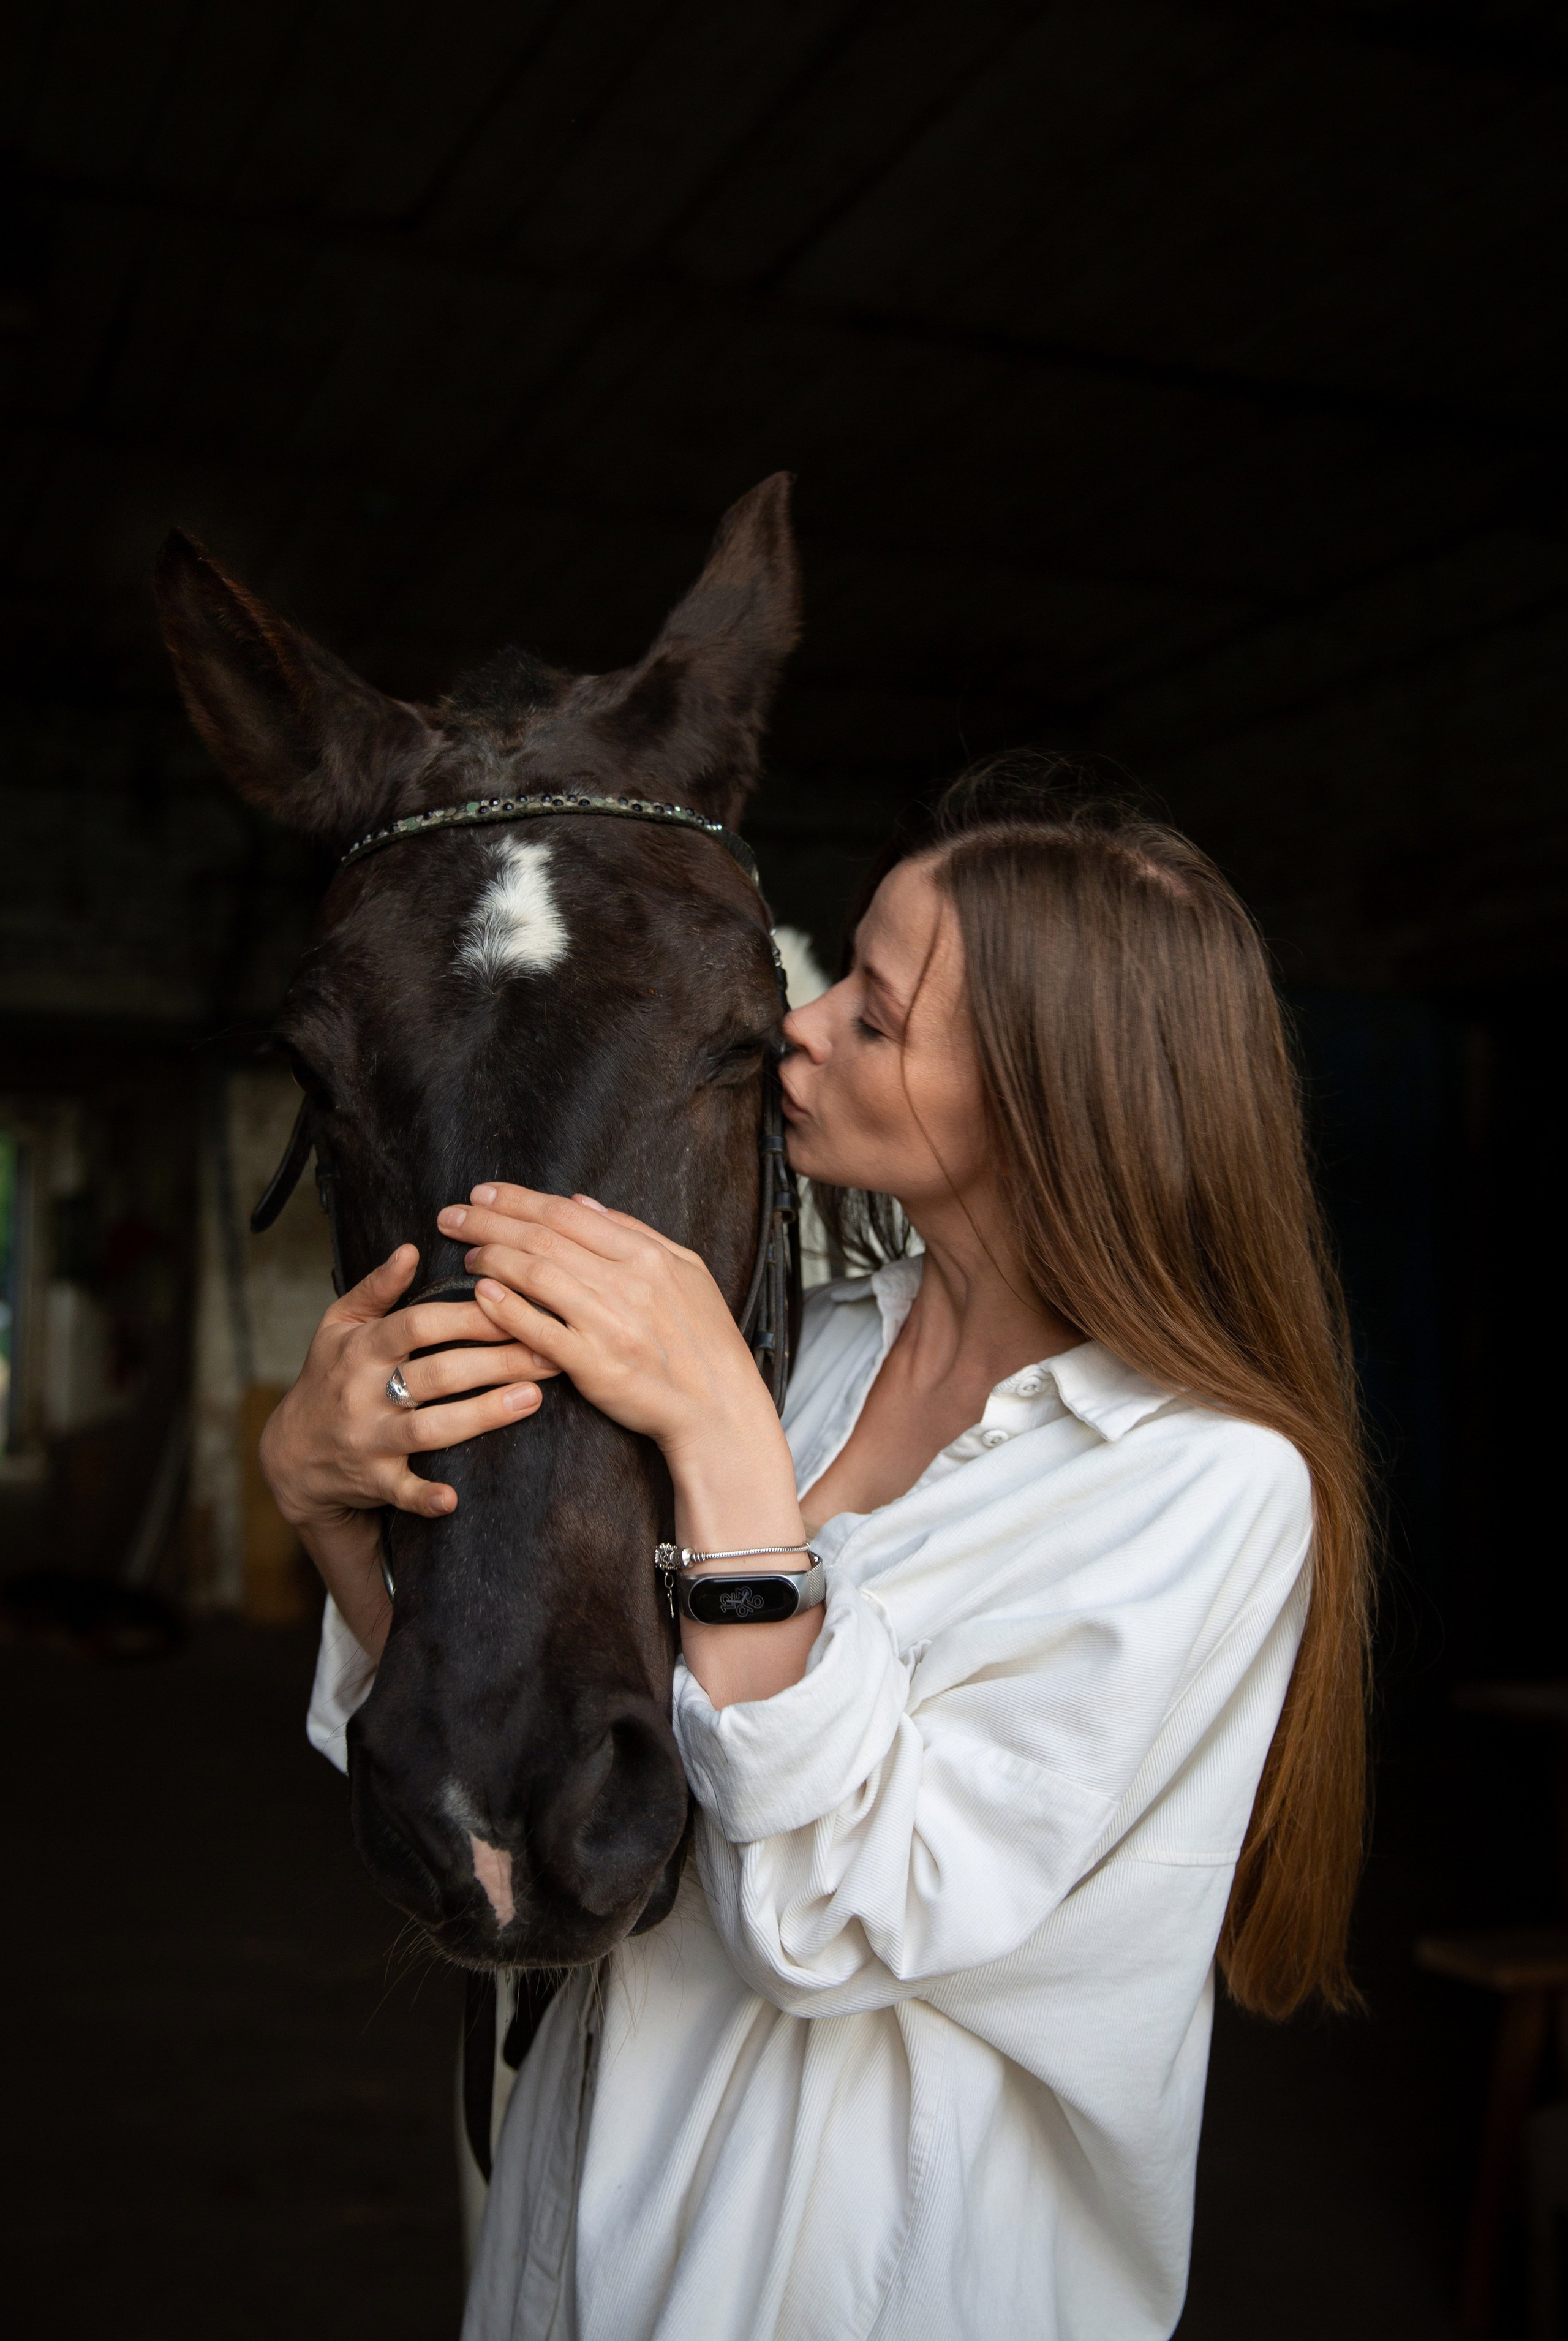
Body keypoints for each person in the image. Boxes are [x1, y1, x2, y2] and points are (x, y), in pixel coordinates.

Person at [264, 769, 1370, 2340]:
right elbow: (547, 1742)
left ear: (1053, 1092)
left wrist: (720, 1437)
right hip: (586, 2223)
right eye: (836, 970)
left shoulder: (1204, 1487)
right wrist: (326, 1504)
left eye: (873, 1011)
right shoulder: (816, 1347)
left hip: (873, 2267)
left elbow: (844, 1918)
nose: (800, 1020)